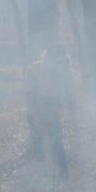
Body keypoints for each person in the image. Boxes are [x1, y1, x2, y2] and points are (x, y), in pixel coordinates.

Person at [24, 44, 72, 178]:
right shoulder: (33, 70)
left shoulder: (64, 69)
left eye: (61, 60)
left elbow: (64, 96)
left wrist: (57, 107)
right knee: (38, 146)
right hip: (35, 114)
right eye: (56, 59)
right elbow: (30, 95)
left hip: (53, 115)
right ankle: (40, 179)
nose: (59, 63)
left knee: (57, 145)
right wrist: (35, 115)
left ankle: (63, 177)